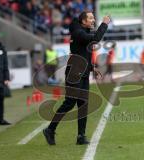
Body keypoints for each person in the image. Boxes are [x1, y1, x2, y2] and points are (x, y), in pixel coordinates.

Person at [43, 11, 110, 145]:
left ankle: (81, 136)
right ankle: (50, 129)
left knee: (83, 104)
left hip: (83, 73)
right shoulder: (78, 33)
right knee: (70, 102)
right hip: (74, 73)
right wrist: (104, 24)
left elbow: (82, 54)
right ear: (83, 21)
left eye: (93, 18)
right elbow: (95, 39)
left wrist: (92, 68)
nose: (93, 20)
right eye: (90, 18)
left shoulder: (81, 32)